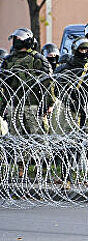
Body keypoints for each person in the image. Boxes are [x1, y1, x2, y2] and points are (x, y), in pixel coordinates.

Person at [0, 28, 54, 178]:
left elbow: (47, 82)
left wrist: (49, 103)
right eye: (15, 39)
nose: (17, 41)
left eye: (20, 39)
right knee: (17, 137)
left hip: (33, 104)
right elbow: (4, 85)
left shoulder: (37, 59)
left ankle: (41, 168)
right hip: (15, 104)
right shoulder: (9, 60)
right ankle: (21, 169)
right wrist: (3, 107)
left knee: (37, 136)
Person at [54, 37, 88, 183]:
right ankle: (66, 178)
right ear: (75, 50)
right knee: (70, 143)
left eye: (86, 50)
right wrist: (70, 101)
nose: (84, 52)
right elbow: (58, 88)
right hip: (71, 110)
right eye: (81, 50)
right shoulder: (66, 68)